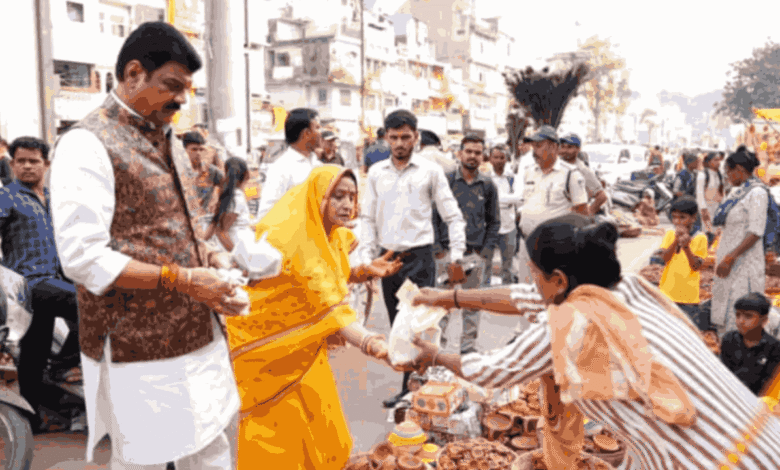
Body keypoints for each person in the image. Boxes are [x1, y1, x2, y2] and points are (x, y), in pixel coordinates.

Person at [412, 215, 780, 470]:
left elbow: (491, 371)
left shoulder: (572, 323)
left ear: (559, 280)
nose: (531, 283)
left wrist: (435, 355)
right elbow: (523, 297)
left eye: (535, 274)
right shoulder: (628, 289)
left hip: (717, 459)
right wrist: (448, 298)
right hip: (766, 441)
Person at [50, 22, 247, 469]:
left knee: (210, 450)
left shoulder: (170, 138)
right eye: (172, 86)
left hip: (198, 335)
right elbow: (82, 258)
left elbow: (183, 227)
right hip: (136, 350)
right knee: (145, 459)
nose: (181, 100)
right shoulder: (86, 143)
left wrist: (216, 263)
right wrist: (184, 280)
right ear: (134, 73)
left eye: (187, 90)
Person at [227, 166, 406, 469]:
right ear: (318, 198)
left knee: (320, 421)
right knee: (279, 439)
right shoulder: (292, 238)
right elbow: (330, 306)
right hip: (270, 352)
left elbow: (325, 278)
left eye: (352, 197)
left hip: (303, 348)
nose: (347, 204)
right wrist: (377, 347)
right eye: (338, 196)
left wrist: (361, 272)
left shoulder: (323, 232)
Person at [361, 109, 467, 408]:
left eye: (405, 137)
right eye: (394, 137)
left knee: (418, 328)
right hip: (387, 261)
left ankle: (417, 392)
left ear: (416, 137)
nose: (399, 143)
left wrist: (457, 256)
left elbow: (452, 216)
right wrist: (368, 261)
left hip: (419, 260)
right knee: (398, 328)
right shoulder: (376, 173)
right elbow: (367, 218)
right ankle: (413, 390)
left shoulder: (430, 171)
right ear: (386, 138)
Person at [0, 136, 80, 430]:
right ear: (12, 164)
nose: (27, 166)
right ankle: (63, 366)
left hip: (56, 278)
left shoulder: (53, 197)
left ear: (46, 164)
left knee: (35, 353)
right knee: (85, 302)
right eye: (20, 161)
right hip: (28, 283)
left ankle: (31, 420)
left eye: (33, 161)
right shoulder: (7, 196)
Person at [434, 134, 499, 355]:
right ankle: (437, 349)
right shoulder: (446, 181)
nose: (472, 156)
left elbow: (494, 221)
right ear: (459, 153)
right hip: (446, 254)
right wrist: (438, 250)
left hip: (474, 255)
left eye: (477, 152)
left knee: (472, 304)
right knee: (442, 304)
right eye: (468, 151)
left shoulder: (488, 185)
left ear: (483, 156)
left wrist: (485, 253)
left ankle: (468, 350)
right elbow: (433, 216)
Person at [516, 125, 588, 284]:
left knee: (551, 289)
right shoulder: (529, 172)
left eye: (539, 145)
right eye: (533, 146)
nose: (534, 151)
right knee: (524, 288)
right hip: (527, 242)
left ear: (554, 147)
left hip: (553, 247)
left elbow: (582, 213)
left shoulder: (570, 174)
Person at [712, 148, 768, 338]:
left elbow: (756, 231)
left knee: (739, 316)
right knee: (725, 313)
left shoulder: (757, 193)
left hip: (743, 266)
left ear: (739, 169)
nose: (727, 176)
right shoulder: (738, 192)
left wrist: (731, 257)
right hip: (730, 263)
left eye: (728, 171)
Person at [205, 157, 283, 281]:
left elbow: (216, 225)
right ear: (246, 175)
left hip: (241, 240)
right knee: (276, 258)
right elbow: (221, 231)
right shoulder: (237, 198)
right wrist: (236, 256)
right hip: (240, 243)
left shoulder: (228, 195)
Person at [256, 108, 322, 221]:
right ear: (306, 133)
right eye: (317, 128)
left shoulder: (318, 165)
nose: (321, 133)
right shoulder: (281, 168)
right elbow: (266, 213)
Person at [659, 196, 709, 329]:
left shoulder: (700, 238)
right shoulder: (670, 234)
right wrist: (676, 240)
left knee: (687, 329)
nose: (677, 221)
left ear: (693, 218)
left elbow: (695, 266)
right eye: (674, 217)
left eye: (682, 217)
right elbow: (664, 259)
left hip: (688, 297)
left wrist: (686, 247)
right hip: (667, 292)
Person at [720, 293, 780, 396]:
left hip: (757, 400)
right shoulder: (729, 340)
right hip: (728, 395)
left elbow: (770, 385)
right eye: (738, 315)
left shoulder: (774, 348)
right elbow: (723, 372)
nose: (741, 321)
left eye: (748, 316)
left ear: (764, 320)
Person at [488, 144, 522, 284]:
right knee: (485, 264)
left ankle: (508, 291)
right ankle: (484, 292)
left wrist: (496, 200)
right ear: (490, 159)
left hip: (508, 227)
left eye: (502, 157)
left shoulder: (512, 178)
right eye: (495, 157)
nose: (499, 160)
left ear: (506, 159)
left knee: (508, 265)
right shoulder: (485, 177)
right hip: (489, 228)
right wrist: (508, 201)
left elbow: (519, 198)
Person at [559, 133, 608, 215]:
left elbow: (602, 196)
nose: (564, 150)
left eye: (569, 147)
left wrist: (588, 214)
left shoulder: (582, 170)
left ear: (578, 149)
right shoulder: (557, 165)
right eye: (563, 147)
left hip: (569, 216)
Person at [182, 130, 224, 216]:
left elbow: (229, 185)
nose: (198, 153)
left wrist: (217, 195)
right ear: (185, 150)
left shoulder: (211, 171)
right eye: (194, 149)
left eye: (201, 149)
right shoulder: (180, 171)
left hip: (207, 218)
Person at [697, 152, 725, 244]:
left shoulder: (719, 175)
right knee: (707, 234)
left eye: (719, 160)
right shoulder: (703, 175)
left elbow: (722, 192)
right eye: (715, 160)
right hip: (707, 208)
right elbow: (699, 194)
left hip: (717, 208)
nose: (718, 162)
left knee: (717, 234)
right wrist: (703, 209)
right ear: (709, 162)